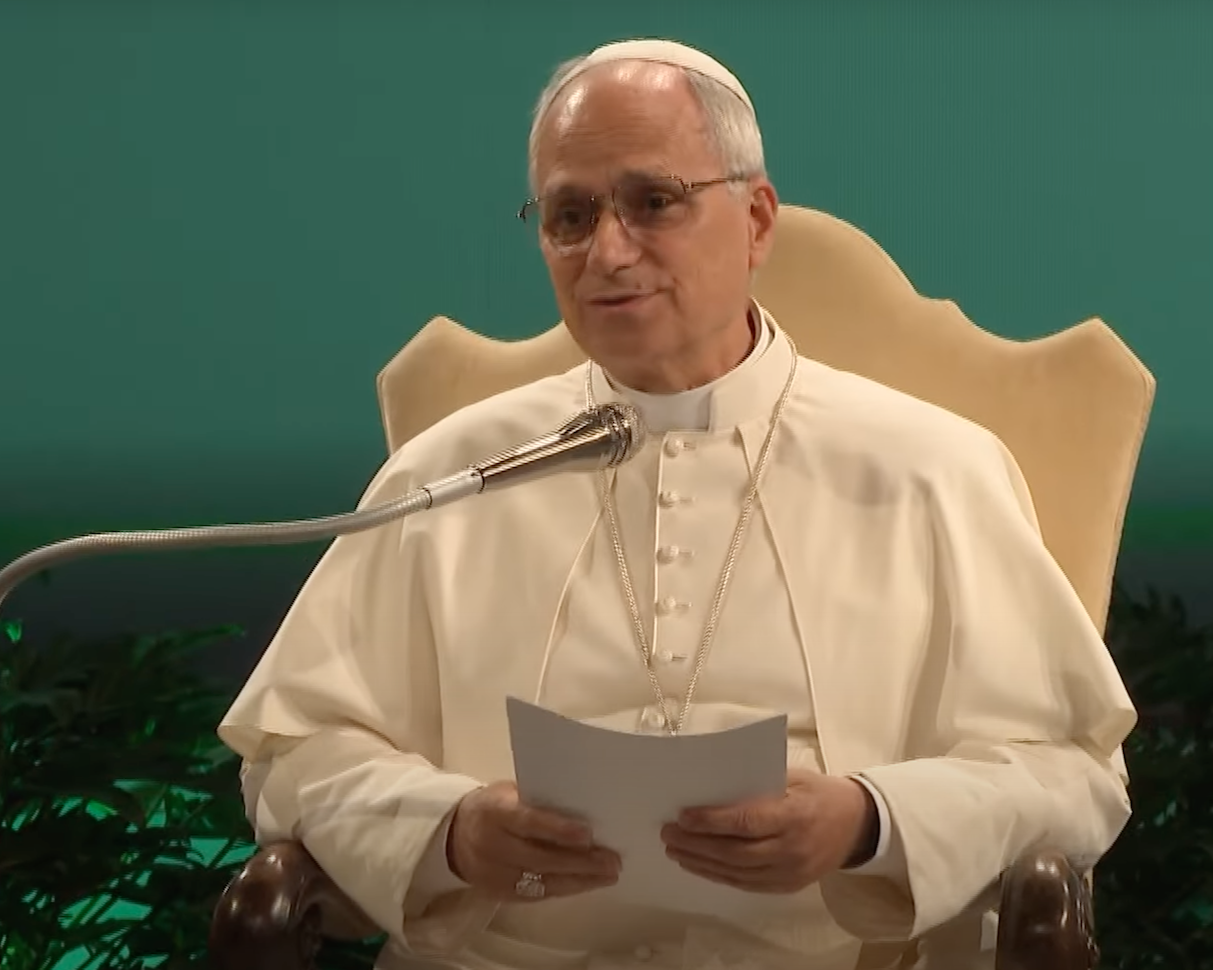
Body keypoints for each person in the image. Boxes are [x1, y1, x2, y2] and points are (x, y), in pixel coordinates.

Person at [218, 38, 1136, 970]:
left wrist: (869, 821)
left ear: (757, 221)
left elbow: (1074, 775)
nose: (607, 251)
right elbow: (293, 756)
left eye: (654, 202)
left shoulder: (932, 468)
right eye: (570, 216)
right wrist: (447, 830)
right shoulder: (449, 473)